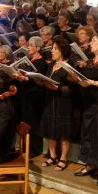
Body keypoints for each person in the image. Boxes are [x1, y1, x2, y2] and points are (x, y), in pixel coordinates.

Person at [71, 33, 98, 186]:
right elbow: (84, 80)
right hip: (89, 103)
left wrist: (93, 82)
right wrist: (76, 78)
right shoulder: (90, 62)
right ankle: (90, 164)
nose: (91, 43)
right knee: (89, 134)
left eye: (94, 41)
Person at [39, 36, 74, 171]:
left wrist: (57, 88)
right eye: (52, 48)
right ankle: (52, 156)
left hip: (63, 102)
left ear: (62, 51)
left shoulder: (69, 65)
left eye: (55, 49)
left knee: (64, 132)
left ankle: (63, 158)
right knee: (50, 129)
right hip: (50, 100)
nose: (52, 51)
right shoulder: (51, 65)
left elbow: (72, 89)